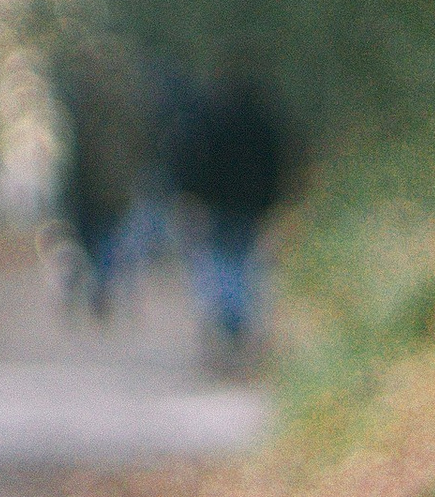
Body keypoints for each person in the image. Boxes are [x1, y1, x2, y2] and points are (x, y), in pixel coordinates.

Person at [165, 64, 295, 362]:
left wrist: (192, 196)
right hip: (252, 205)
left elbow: (193, 161)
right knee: (242, 264)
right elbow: (277, 162)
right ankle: (236, 323)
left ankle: (229, 322)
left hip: (218, 206)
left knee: (221, 264)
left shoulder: (209, 119)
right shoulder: (263, 121)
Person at [53, 27, 157, 316]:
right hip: (114, 185)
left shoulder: (81, 103)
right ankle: (101, 283)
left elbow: (75, 150)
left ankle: (95, 283)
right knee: (106, 238)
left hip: (89, 186)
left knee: (89, 238)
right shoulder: (127, 101)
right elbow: (140, 142)